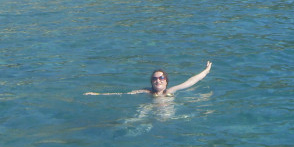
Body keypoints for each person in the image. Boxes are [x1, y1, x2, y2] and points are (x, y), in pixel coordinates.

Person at [84, 61, 212, 97]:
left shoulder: (170, 91)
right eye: (154, 78)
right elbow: (123, 93)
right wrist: (97, 94)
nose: (158, 80)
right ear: (151, 82)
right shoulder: (147, 92)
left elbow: (191, 81)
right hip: (150, 110)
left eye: (161, 77)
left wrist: (206, 71)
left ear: (166, 81)